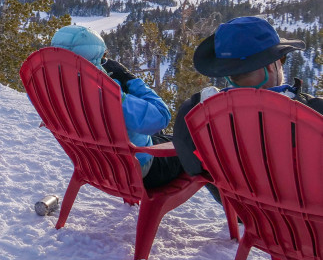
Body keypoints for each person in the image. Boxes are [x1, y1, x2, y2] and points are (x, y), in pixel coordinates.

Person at [172, 16, 323, 201]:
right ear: (271, 65)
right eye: (281, 58)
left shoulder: (196, 112)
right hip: (312, 221)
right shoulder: (312, 112)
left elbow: (194, 167)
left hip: (248, 212)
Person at [50, 24, 183, 189]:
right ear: (95, 59)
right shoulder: (107, 94)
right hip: (133, 170)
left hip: (91, 164)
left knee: (158, 136)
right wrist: (130, 80)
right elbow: (162, 116)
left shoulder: (48, 89)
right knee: (191, 144)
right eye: (102, 58)